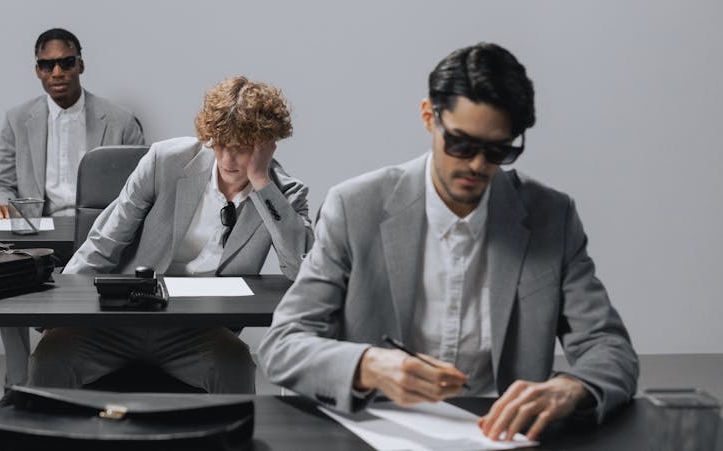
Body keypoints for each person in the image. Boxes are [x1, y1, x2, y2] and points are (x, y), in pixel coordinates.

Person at [258, 42, 638, 442]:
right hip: (377, 431)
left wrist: (572, 388)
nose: (477, 164)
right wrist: (367, 365)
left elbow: (609, 346)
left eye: (498, 151)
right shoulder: (355, 207)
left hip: (501, 436)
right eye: (461, 144)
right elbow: (283, 345)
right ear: (429, 118)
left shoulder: (551, 217)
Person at [29, 76, 314, 393]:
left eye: (243, 148)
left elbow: (300, 268)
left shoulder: (282, 194)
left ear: (266, 145)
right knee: (50, 358)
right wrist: (59, 310)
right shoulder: (165, 161)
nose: (228, 160)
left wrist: (261, 180)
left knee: (234, 365)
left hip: (200, 330)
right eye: (219, 144)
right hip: (125, 317)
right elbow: (104, 241)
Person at [0, 28, 144, 388]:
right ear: (38, 71)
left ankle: (88, 382)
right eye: (47, 65)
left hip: (101, 235)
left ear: (80, 64)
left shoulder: (120, 121)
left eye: (66, 62)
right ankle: (18, 386)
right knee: (3, 286)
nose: (57, 72)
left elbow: (144, 190)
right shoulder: (17, 119)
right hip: (38, 233)